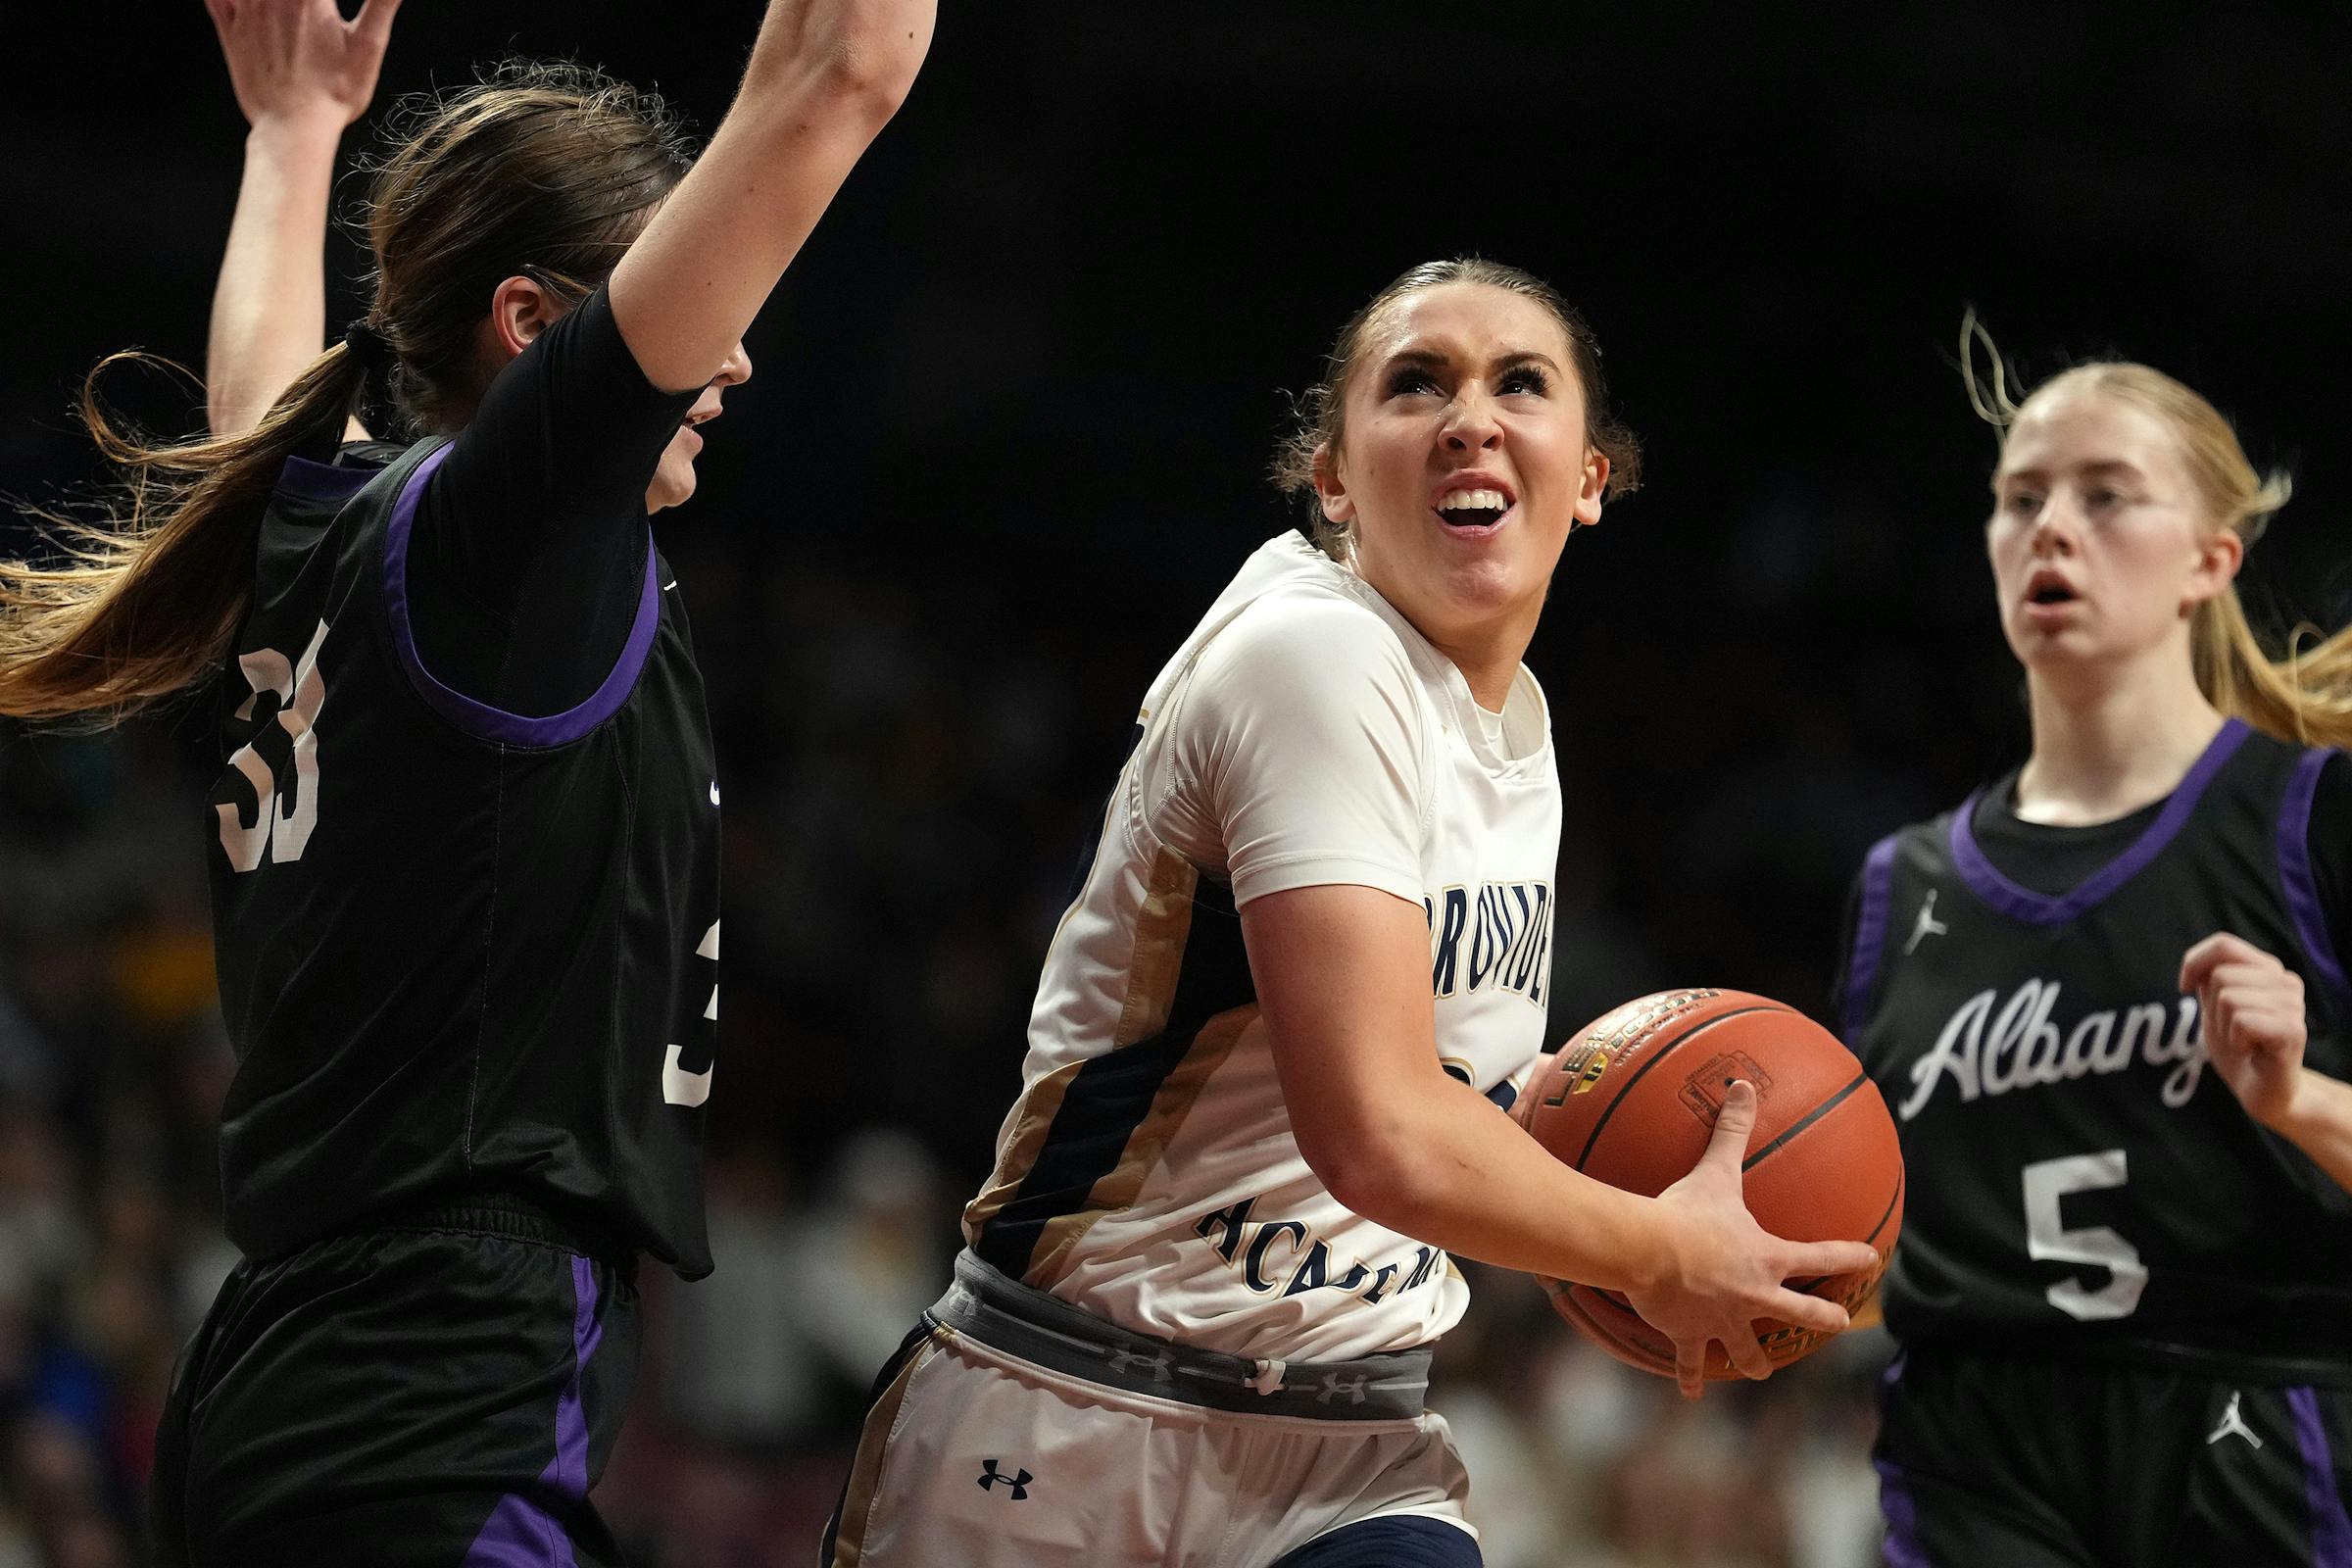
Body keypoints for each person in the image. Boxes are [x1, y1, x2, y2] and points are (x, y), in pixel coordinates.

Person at [0, 0, 936, 1560]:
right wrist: (291, 140)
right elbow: (844, 69)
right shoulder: (515, 539)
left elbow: (253, 407)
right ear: (529, 325)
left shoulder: (333, 527)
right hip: (437, 1363)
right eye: (690, 299)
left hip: (293, 1362)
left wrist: (292, 137)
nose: (741, 347)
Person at [824, 258, 1880, 1568]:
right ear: (1332, 478)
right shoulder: (1311, 655)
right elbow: (1379, 1133)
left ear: (1592, 477)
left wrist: (1689, 1167)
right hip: (1080, 1418)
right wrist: (1657, 1246)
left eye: (1521, 383)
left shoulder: (1514, 725)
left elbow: (1460, 1102)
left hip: (1347, 1448)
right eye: (1418, 382)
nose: (1471, 417)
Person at [1836, 333, 2352, 1566]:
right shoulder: (1897, 883)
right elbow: (1867, 1241)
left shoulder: (2313, 818)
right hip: (1975, 1442)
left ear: (2209, 561)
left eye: (2105, 494)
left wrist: (2298, 1098)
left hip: (2258, 1407)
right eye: (2021, 500)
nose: (2051, 528)